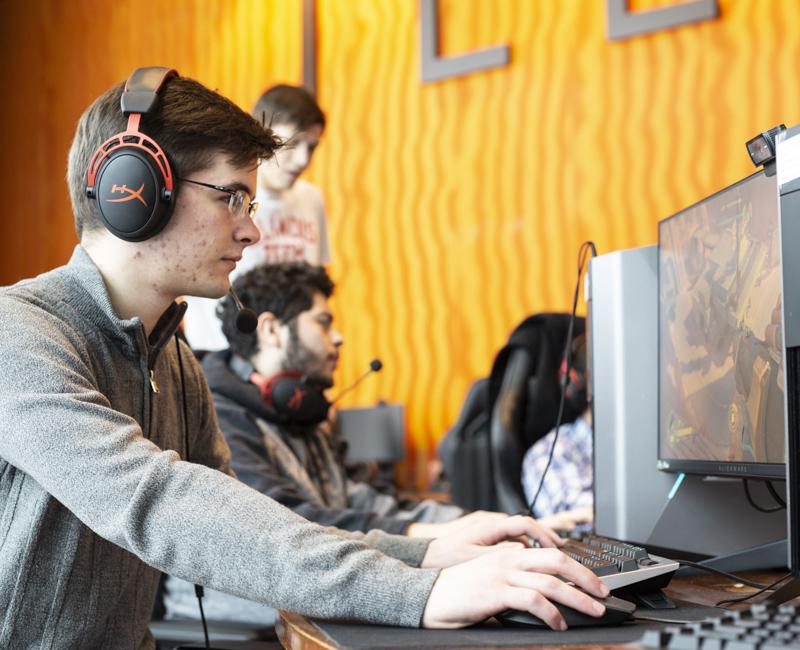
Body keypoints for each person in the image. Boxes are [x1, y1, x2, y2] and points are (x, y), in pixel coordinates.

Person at [0, 67, 610, 648]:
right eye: (231, 198)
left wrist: (426, 554)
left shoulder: (175, 362)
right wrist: (418, 592)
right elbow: (157, 500)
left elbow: (253, 525)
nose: (252, 232)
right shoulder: (18, 334)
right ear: (132, 191)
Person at [165, 262, 516, 622]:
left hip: (324, 586)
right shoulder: (219, 414)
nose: (338, 337)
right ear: (271, 330)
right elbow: (288, 525)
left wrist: (465, 524)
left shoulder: (305, 409)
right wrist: (431, 539)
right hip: (247, 614)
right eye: (323, 322)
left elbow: (361, 498)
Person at [183, 83, 330, 352]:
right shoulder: (221, 194)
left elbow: (317, 283)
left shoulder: (312, 199)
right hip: (220, 353)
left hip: (288, 356)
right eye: (291, 144)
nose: (302, 159)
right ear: (263, 135)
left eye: (311, 147)